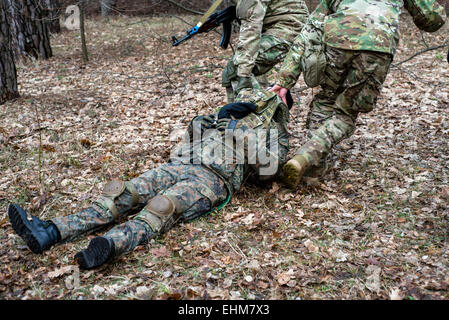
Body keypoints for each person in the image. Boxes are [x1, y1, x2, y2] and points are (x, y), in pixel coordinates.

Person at [8, 88, 293, 270]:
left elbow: (269, 171)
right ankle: (49, 231)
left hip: (212, 179)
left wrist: (240, 137)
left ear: (284, 104)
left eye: (280, 93)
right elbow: (187, 140)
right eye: (272, 87)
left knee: (160, 209)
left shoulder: (276, 132)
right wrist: (215, 117)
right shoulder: (238, 110)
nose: (272, 92)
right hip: (181, 163)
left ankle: (109, 245)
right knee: (121, 194)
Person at [271, 0, 447, 189]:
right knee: (346, 113)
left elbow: (310, 30)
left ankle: (312, 174)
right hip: (378, 44)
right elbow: (433, 19)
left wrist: (284, 79)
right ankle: (306, 156)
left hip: (337, 38)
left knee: (327, 98)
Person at [222, 0, 309, 103]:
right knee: (236, 69)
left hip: (290, 28)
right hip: (285, 25)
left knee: (236, 69)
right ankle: (237, 113)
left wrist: (243, 72)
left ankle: (254, 113)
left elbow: (251, 30)